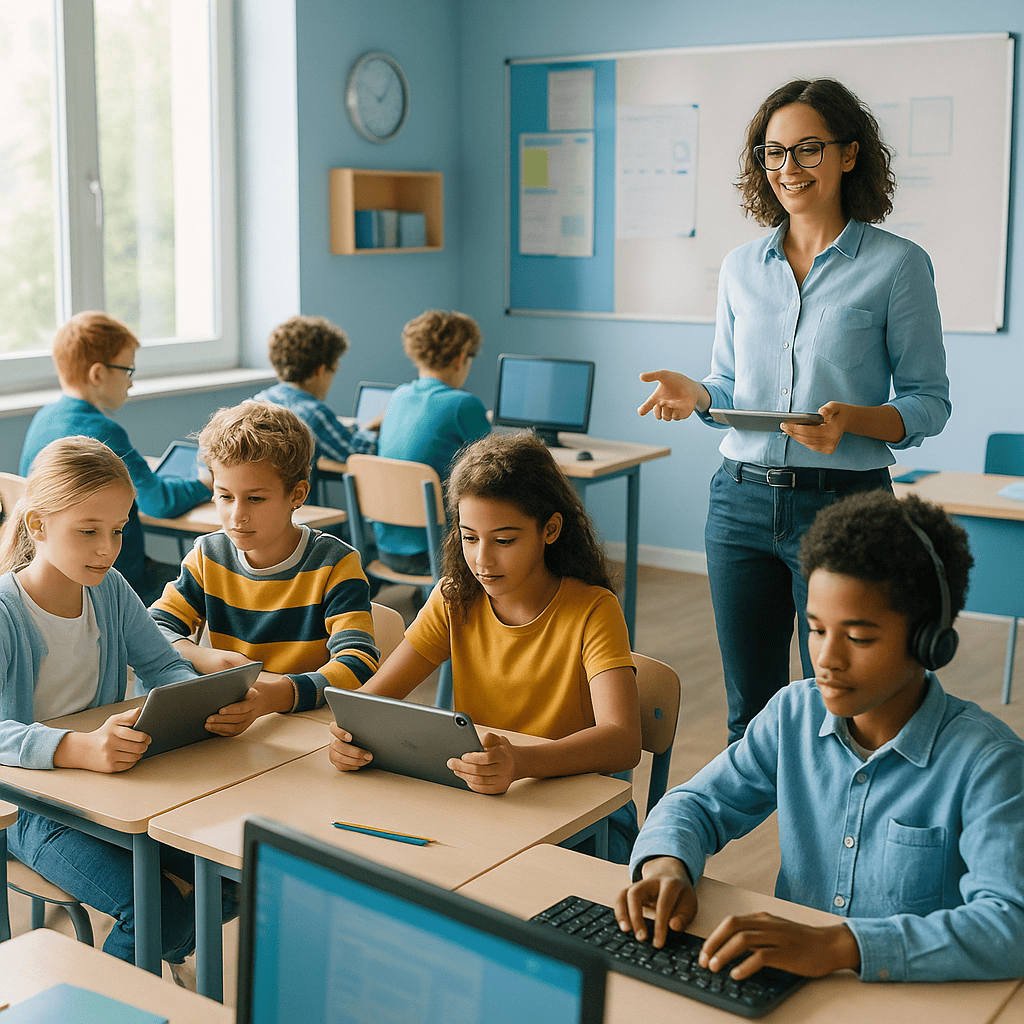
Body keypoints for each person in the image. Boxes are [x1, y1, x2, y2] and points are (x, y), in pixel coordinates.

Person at [637, 79, 950, 743]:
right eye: (772, 152)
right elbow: (728, 384)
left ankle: (827, 841)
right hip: (739, 504)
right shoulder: (740, 267)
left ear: (849, 155)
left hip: (846, 508)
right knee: (749, 714)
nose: (787, 168)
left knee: (842, 709)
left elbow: (929, 401)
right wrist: (698, 395)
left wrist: (853, 422)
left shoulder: (897, 266)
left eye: (807, 149)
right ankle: (750, 842)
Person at [615, 490, 1024, 983]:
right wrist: (667, 867)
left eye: (858, 638)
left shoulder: (989, 764)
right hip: (790, 990)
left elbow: (1010, 924)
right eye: (815, 629)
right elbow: (695, 805)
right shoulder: (794, 714)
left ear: (928, 642)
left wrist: (842, 945)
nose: (827, 658)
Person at [328, 431, 642, 861]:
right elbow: (371, 702)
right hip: (489, 808)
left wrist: (523, 763)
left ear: (550, 529)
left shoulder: (592, 609)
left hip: (586, 822)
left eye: (504, 540)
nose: (482, 560)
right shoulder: (455, 598)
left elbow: (622, 741)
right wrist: (348, 735)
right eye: (469, 537)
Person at [0, 436, 234, 970]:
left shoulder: (109, 589)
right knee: (160, 918)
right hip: (30, 812)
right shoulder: (5, 612)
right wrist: (75, 748)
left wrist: (195, 707)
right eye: (88, 532)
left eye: (118, 531)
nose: (108, 548)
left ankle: (146, 970)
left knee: (237, 877)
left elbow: (166, 667)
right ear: (38, 526)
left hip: (115, 793)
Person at [150, 401, 378, 725]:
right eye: (225, 496)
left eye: (255, 498)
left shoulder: (335, 564)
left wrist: (273, 696)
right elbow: (154, 629)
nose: (236, 515)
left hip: (307, 724)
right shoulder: (207, 555)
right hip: (236, 720)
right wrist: (205, 657)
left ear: (297, 494)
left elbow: (359, 661)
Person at [19, 311, 212, 606]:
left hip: (58, 574)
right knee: (212, 581)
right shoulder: (102, 431)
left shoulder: (44, 417)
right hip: (110, 580)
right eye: (127, 371)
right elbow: (159, 502)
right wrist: (204, 483)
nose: (130, 383)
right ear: (98, 374)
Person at [373, 309, 490, 576]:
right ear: (461, 357)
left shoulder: (398, 396)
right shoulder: (464, 404)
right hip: (436, 554)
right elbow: (498, 462)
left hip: (386, 550)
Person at [253, 313, 378, 469]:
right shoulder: (313, 414)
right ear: (320, 371)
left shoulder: (259, 400)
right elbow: (357, 453)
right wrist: (375, 427)